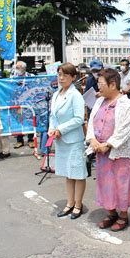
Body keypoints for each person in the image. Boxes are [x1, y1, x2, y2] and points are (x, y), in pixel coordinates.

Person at [86, 68, 130, 231]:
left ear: (113, 84)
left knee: (121, 183)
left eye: (101, 84)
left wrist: (107, 144)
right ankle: (111, 213)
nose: (98, 87)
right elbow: (90, 121)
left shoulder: (128, 105)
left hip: (119, 154)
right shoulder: (99, 101)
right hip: (101, 153)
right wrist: (93, 140)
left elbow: (124, 130)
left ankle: (123, 216)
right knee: (105, 184)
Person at [49, 63, 87, 220]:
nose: (61, 77)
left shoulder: (75, 95)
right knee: (67, 173)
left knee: (78, 173)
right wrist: (52, 129)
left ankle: (78, 204)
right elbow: (53, 116)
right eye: (59, 74)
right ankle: (69, 202)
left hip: (73, 140)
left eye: (65, 75)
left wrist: (61, 129)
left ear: (73, 77)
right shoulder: (56, 94)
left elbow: (79, 118)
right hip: (60, 140)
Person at [12, 61, 35, 149]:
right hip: (18, 103)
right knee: (19, 121)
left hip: (30, 103)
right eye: (16, 68)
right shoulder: (14, 77)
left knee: (30, 121)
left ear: (23, 68)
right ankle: (19, 140)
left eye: (18, 68)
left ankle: (31, 140)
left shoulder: (31, 76)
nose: (16, 69)